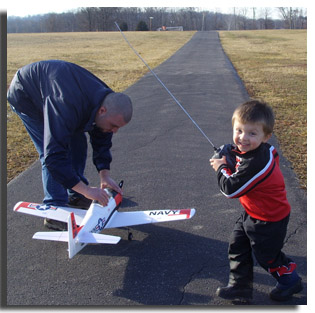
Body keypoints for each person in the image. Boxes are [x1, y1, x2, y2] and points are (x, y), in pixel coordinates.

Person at [7, 60, 133, 230]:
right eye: (114, 126)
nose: (115, 131)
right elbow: (54, 156)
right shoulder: (66, 105)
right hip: (27, 96)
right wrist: (87, 190)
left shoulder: (106, 101)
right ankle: (54, 208)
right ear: (102, 111)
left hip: (60, 92)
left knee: (78, 144)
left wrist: (104, 175)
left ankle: (74, 195)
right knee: (51, 151)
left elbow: (102, 135)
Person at [209, 100, 302, 302]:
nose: (243, 138)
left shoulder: (259, 162)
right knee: (237, 246)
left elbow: (231, 189)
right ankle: (239, 287)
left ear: (266, 136)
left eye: (252, 133)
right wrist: (227, 151)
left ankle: (290, 280)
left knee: (267, 257)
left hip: (270, 219)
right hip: (252, 212)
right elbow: (238, 153)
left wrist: (220, 167)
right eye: (239, 130)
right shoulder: (253, 151)